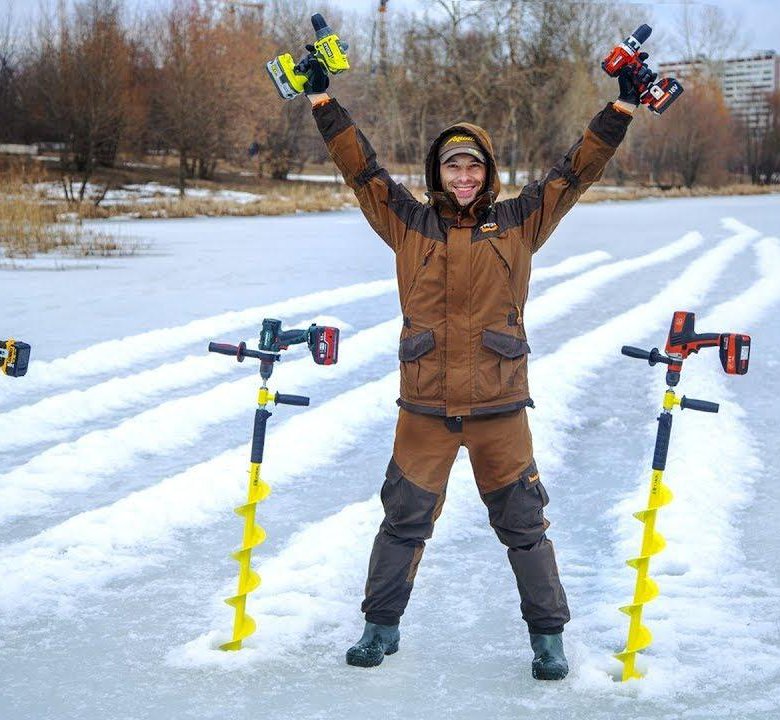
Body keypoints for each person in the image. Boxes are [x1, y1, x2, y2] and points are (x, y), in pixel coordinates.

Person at [304, 57, 652, 680]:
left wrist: (618, 109)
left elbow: (574, 172)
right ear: (438, 172)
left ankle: (548, 638)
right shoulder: (408, 222)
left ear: (487, 172)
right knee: (403, 523)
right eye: (451, 165)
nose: (462, 176)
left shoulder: (519, 222)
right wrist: (323, 102)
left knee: (524, 526)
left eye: (473, 165)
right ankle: (380, 628)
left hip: (499, 408)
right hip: (425, 410)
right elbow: (363, 171)